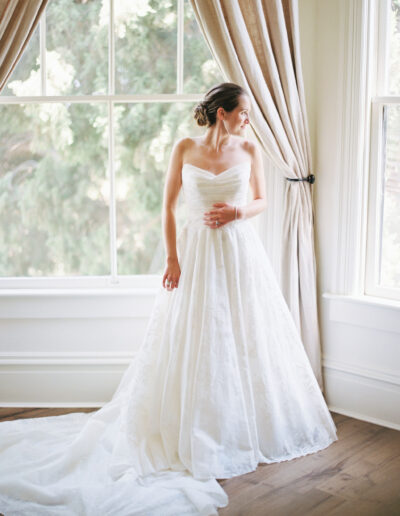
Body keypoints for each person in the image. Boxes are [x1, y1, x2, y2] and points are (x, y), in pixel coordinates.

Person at [0, 82, 338, 515]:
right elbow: (167, 208)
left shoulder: (249, 151)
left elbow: (261, 201)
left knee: (243, 333)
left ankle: (240, 426)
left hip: (238, 253)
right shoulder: (184, 148)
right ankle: (190, 427)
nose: (248, 119)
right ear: (223, 113)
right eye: (244, 112)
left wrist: (236, 212)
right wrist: (172, 258)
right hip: (196, 253)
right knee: (195, 334)